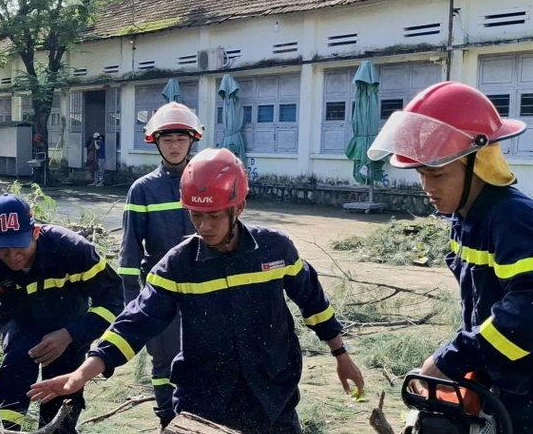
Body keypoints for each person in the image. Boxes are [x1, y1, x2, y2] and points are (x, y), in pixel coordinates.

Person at [30, 148, 364, 434]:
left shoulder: (275, 251)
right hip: (205, 403)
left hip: (273, 397)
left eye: (214, 216)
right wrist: (81, 374)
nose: (204, 226)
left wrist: (341, 355)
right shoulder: (178, 266)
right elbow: (135, 324)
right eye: (196, 215)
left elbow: (313, 302)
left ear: (239, 207)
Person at [366, 81, 533, 434]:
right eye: (421, 174)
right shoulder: (466, 218)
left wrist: (452, 358)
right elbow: (482, 309)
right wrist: (471, 367)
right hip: (506, 392)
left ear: (478, 162)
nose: (427, 186)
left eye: (437, 174)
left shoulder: (513, 218)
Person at [0, 194, 123, 433]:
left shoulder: (72, 251)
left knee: (62, 399)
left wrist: (71, 334)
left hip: (70, 327)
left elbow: (114, 301)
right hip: (18, 324)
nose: (12, 258)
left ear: (34, 232)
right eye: (2, 250)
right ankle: (7, 429)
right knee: (19, 362)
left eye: (18, 246)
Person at [117, 101, 202, 426]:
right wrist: (131, 302)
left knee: (204, 354)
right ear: (156, 142)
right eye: (168, 139)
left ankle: (198, 418)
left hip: (205, 288)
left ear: (192, 140)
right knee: (164, 360)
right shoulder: (143, 190)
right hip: (161, 291)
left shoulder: (204, 179)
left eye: (181, 139)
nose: (175, 145)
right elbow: (129, 252)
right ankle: (168, 421)